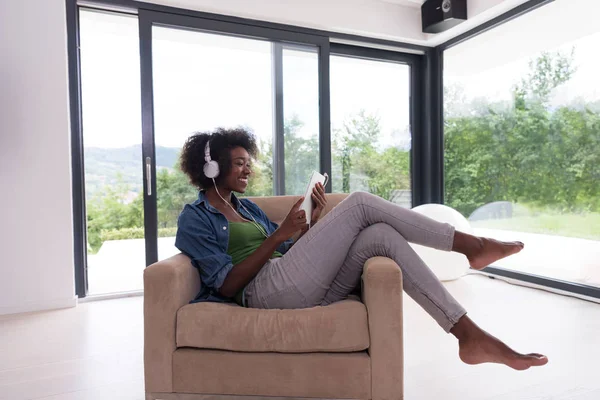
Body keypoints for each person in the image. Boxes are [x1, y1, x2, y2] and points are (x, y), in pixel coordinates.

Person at [175, 127, 548, 371]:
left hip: (293, 285)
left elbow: (292, 254)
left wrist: (313, 220)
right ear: (211, 167)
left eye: (248, 163)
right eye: (239, 164)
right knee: (360, 203)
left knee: (380, 235)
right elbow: (225, 286)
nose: (247, 171)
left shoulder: (246, 207)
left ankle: (467, 334)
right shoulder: (196, 217)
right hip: (262, 293)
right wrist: (277, 236)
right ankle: (471, 246)